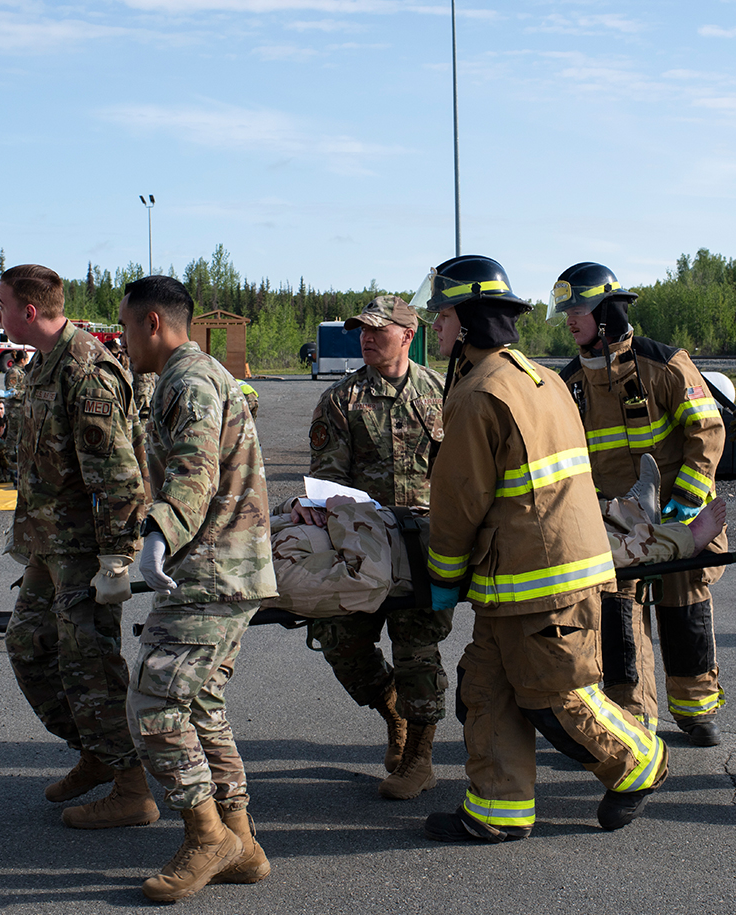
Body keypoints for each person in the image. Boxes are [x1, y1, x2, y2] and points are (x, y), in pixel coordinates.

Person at [413, 255, 668, 843]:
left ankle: (640, 763)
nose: (439, 327)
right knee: (486, 690)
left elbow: (458, 505)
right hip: (524, 577)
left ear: (469, 322)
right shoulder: (542, 377)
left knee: (560, 699)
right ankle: (498, 811)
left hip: (541, 584)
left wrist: (440, 579)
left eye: (444, 316)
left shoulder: (479, 394)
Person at [118, 275, 277, 903]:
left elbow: (193, 468)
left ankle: (206, 835)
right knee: (201, 705)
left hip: (210, 569)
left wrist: (159, 532)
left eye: (128, 328)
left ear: (153, 323)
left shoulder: (188, 382)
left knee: (154, 706)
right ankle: (242, 843)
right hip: (227, 566)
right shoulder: (196, 374)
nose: (125, 341)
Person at [0, 264, 157, 829]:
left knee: (90, 664)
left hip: (87, 548)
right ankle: (98, 752)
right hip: (49, 542)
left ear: (28, 311)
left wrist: (116, 556)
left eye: (2, 304)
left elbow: (117, 475)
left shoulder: (85, 368)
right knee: (28, 647)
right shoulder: (43, 364)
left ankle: (132, 786)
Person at [550, 261, 727, 747]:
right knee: (619, 620)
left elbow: (707, 433)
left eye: (579, 307)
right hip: (617, 528)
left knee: (684, 606)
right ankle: (633, 723)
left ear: (607, 312)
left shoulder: (663, 364)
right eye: (566, 309)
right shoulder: (570, 384)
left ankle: (695, 707)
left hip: (680, 517)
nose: (570, 317)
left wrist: (683, 509)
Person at [296, 294, 448, 800]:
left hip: (425, 545)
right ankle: (392, 713)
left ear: (408, 335)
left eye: (378, 330)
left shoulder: (443, 393)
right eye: (361, 330)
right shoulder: (341, 399)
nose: (365, 337)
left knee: (417, 651)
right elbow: (326, 478)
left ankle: (419, 759)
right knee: (340, 643)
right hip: (362, 546)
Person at [268, 484, 727, 619]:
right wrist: (346, 516)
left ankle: (630, 511)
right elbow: (368, 583)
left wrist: (297, 506)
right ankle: (681, 540)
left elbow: (275, 512)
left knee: (541, 505)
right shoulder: (274, 578)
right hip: (442, 558)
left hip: (423, 521)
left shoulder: (251, 535)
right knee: (565, 550)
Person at [4, 348, 29, 452]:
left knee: (19, 433)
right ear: (22, 360)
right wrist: (26, 395)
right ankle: (8, 455)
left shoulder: (21, 371)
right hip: (14, 408)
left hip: (19, 407)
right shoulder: (13, 372)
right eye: (27, 359)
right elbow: (11, 390)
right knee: (13, 434)